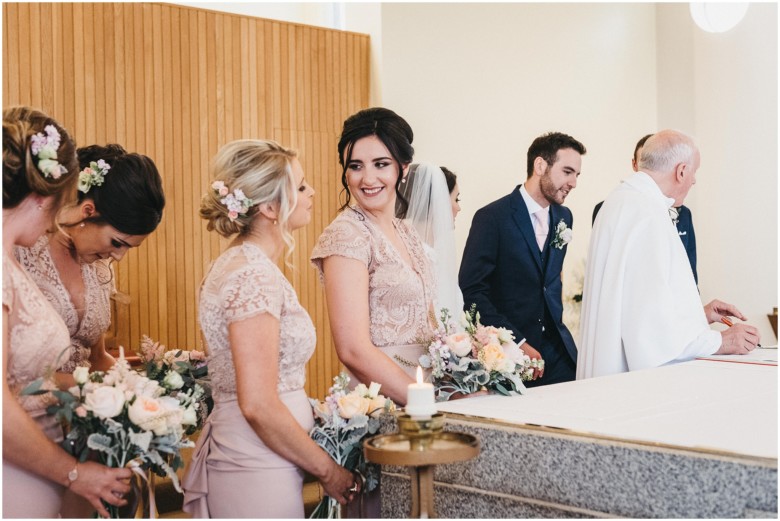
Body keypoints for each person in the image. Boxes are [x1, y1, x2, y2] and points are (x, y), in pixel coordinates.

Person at [182, 139, 357, 518]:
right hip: (255, 461)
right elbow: (258, 403)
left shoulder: (241, 264)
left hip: (267, 454)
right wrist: (328, 470)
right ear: (270, 207)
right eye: (301, 186)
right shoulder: (251, 276)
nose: (312, 193)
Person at [3, 106, 132, 518]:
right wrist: (74, 473)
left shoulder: (12, 263)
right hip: (16, 472)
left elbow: (23, 376)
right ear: (42, 198)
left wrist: (99, 389)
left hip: (40, 463)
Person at [577, 130, 760, 380]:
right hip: (634, 385)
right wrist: (721, 341)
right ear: (681, 171)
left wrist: (698, 314)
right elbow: (651, 333)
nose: (694, 181)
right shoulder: (647, 214)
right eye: (694, 172)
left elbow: (634, 303)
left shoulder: (622, 202)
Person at [311, 107, 437, 406]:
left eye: (380, 164)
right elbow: (352, 350)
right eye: (355, 166)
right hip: (378, 398)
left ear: (403, 168)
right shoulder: (346, 234)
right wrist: (422, 401)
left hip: (427, 390)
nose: (367, 179)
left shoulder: (406, 231)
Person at [15, 144, 165, 383]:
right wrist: (90, 391)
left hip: (87, 412)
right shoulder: (20, 252)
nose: (118, 257)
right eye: (117, 243)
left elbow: (97, 358)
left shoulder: (99, 268)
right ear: (87, 211)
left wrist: (143, 392)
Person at [459, 132, 586, 387]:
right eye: (567, 171)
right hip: (510, 358)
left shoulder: (564, 217)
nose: (573, 183)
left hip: (559, 353)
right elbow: (473, 291)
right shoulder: (492, 217)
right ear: (540, 166)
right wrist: (516, 342)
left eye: (577, 175)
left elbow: (549, 281)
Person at [593, 133, 699, 283]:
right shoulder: (640, 210)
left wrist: (696, 306)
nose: (694, 180)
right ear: (635, 164)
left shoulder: (678, 211)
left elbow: (689, 268)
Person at [397, 163, 463, 318]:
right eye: (456, 199)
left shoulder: (435, 253)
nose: (458, 208)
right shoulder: (421, 256)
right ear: (439, 201)